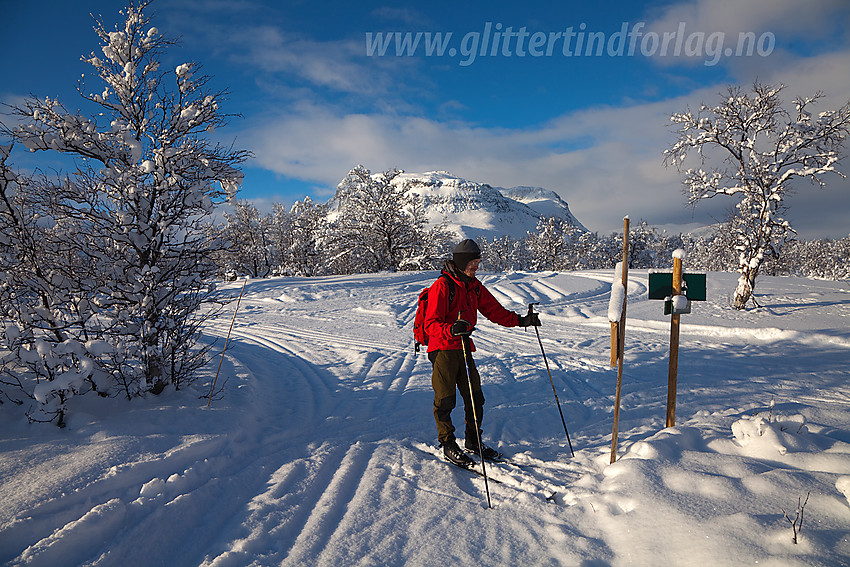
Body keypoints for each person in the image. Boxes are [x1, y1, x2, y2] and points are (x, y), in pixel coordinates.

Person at [423, 238, 540, 466]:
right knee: (445, 400)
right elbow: (430, 325)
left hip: (464, 347)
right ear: (461, 262)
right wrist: (451, 329)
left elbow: (495, 311)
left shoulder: (474, 286)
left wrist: (521, 320)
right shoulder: (443, 286)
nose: (476, 267)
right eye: (472, 263)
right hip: (443, 349)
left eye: (478, 262)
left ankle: (473, 440)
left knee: (475, 397)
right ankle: (447, 443)